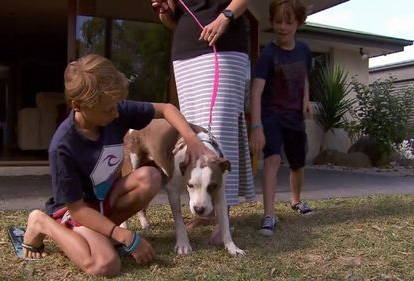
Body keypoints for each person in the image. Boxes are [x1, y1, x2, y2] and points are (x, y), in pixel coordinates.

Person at [21, 54, 215, 277]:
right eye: (107, 110)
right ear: (77, 106)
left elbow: (167, 108)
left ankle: (102, 236)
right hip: (77, 212)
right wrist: (125, 236)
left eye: (115, 107)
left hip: (105, 201)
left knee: (150, 176)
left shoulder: (114, 109)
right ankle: (43, 223)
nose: (115, 114)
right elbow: (78, 210)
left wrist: (192, 140)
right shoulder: (63, 146)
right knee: (105, 265)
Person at [151, 0, 255, 233]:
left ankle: (222, 218)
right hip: (185, 52)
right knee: (192, 131)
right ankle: (203, 207)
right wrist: (164, 10)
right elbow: (171, 21)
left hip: (223, 44)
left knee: (219, 128)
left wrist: (225, 17)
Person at [249, 0, 313, 237]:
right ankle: (269, 214)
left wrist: (306, 100)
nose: (283, 27)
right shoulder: (268, 54)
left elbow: (305, 76)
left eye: (289, 21)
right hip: (271, 115)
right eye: (278, 21)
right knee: (273, 160)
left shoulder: (304, 50)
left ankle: (296, 201)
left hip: (295, 117)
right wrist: (256, 126)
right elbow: (255, 91)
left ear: (298, 23)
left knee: (298, 163)